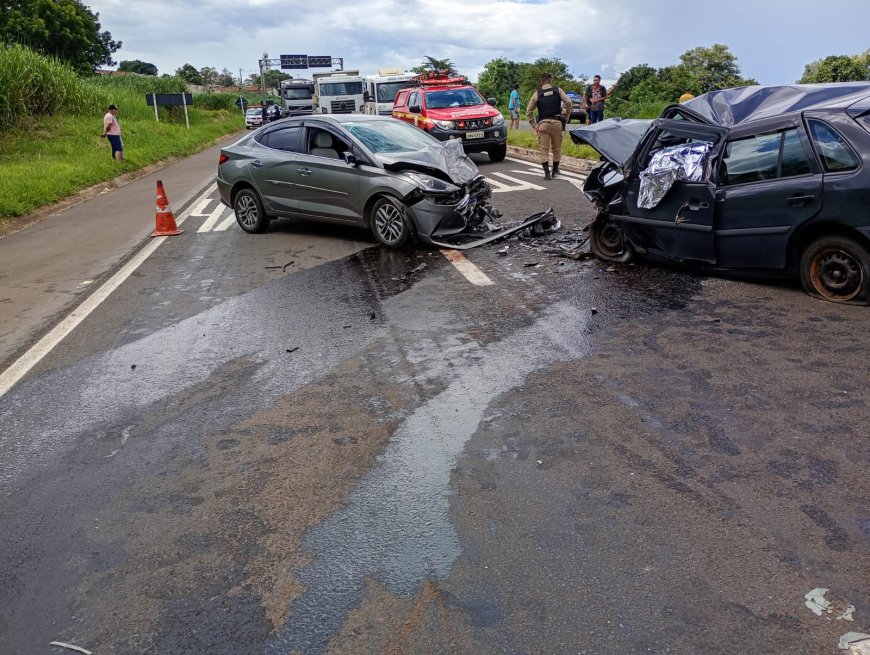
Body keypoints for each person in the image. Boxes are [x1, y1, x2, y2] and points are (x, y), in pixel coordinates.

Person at [526, 72, 571, 180]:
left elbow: (528, 111)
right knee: (557, 148)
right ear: (550, 80)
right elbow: (568, 102)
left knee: (544, 149)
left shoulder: (537, 94)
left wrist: (534, 124)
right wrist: (566, 115)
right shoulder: (558, 90)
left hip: (543, 124)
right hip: (557, 123)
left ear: (541, 81)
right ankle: (555, 170)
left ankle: (547, 174)